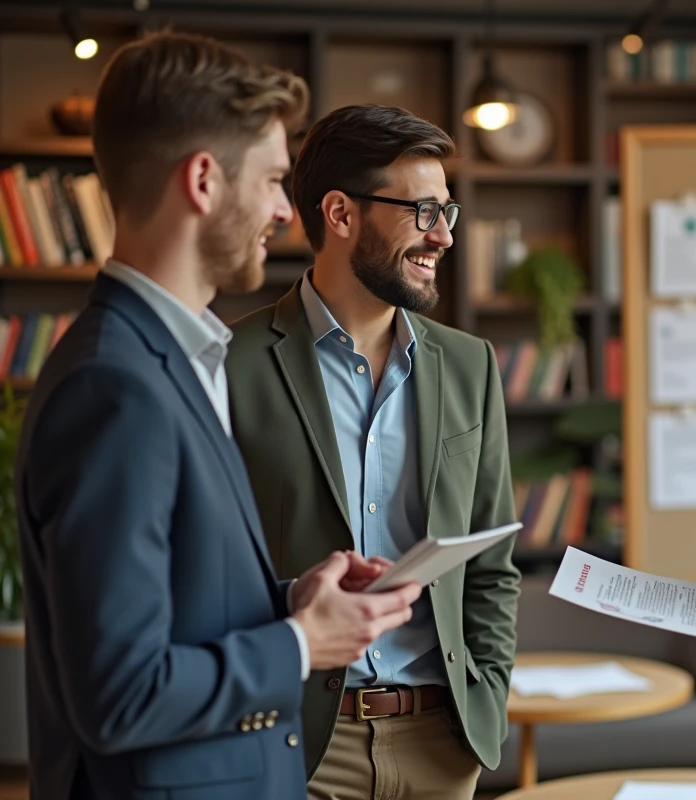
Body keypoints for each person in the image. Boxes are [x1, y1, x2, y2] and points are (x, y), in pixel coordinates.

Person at [16, 33, 424, 800]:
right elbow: (120, 693)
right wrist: (302, 643)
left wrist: (291, 600)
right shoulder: (114, 386)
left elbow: (172, 607)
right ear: (203, 180)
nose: (284, 210)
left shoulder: (179, 358)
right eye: (272, 180)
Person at [225, 103, 520, 800]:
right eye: (423, 211)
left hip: (442, 744)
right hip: (295, 741)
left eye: (447, 211)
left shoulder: (470, 366)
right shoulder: (231, 364)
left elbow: (491, 565)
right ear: (340, 213)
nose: (444, 235)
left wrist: (487, 691)